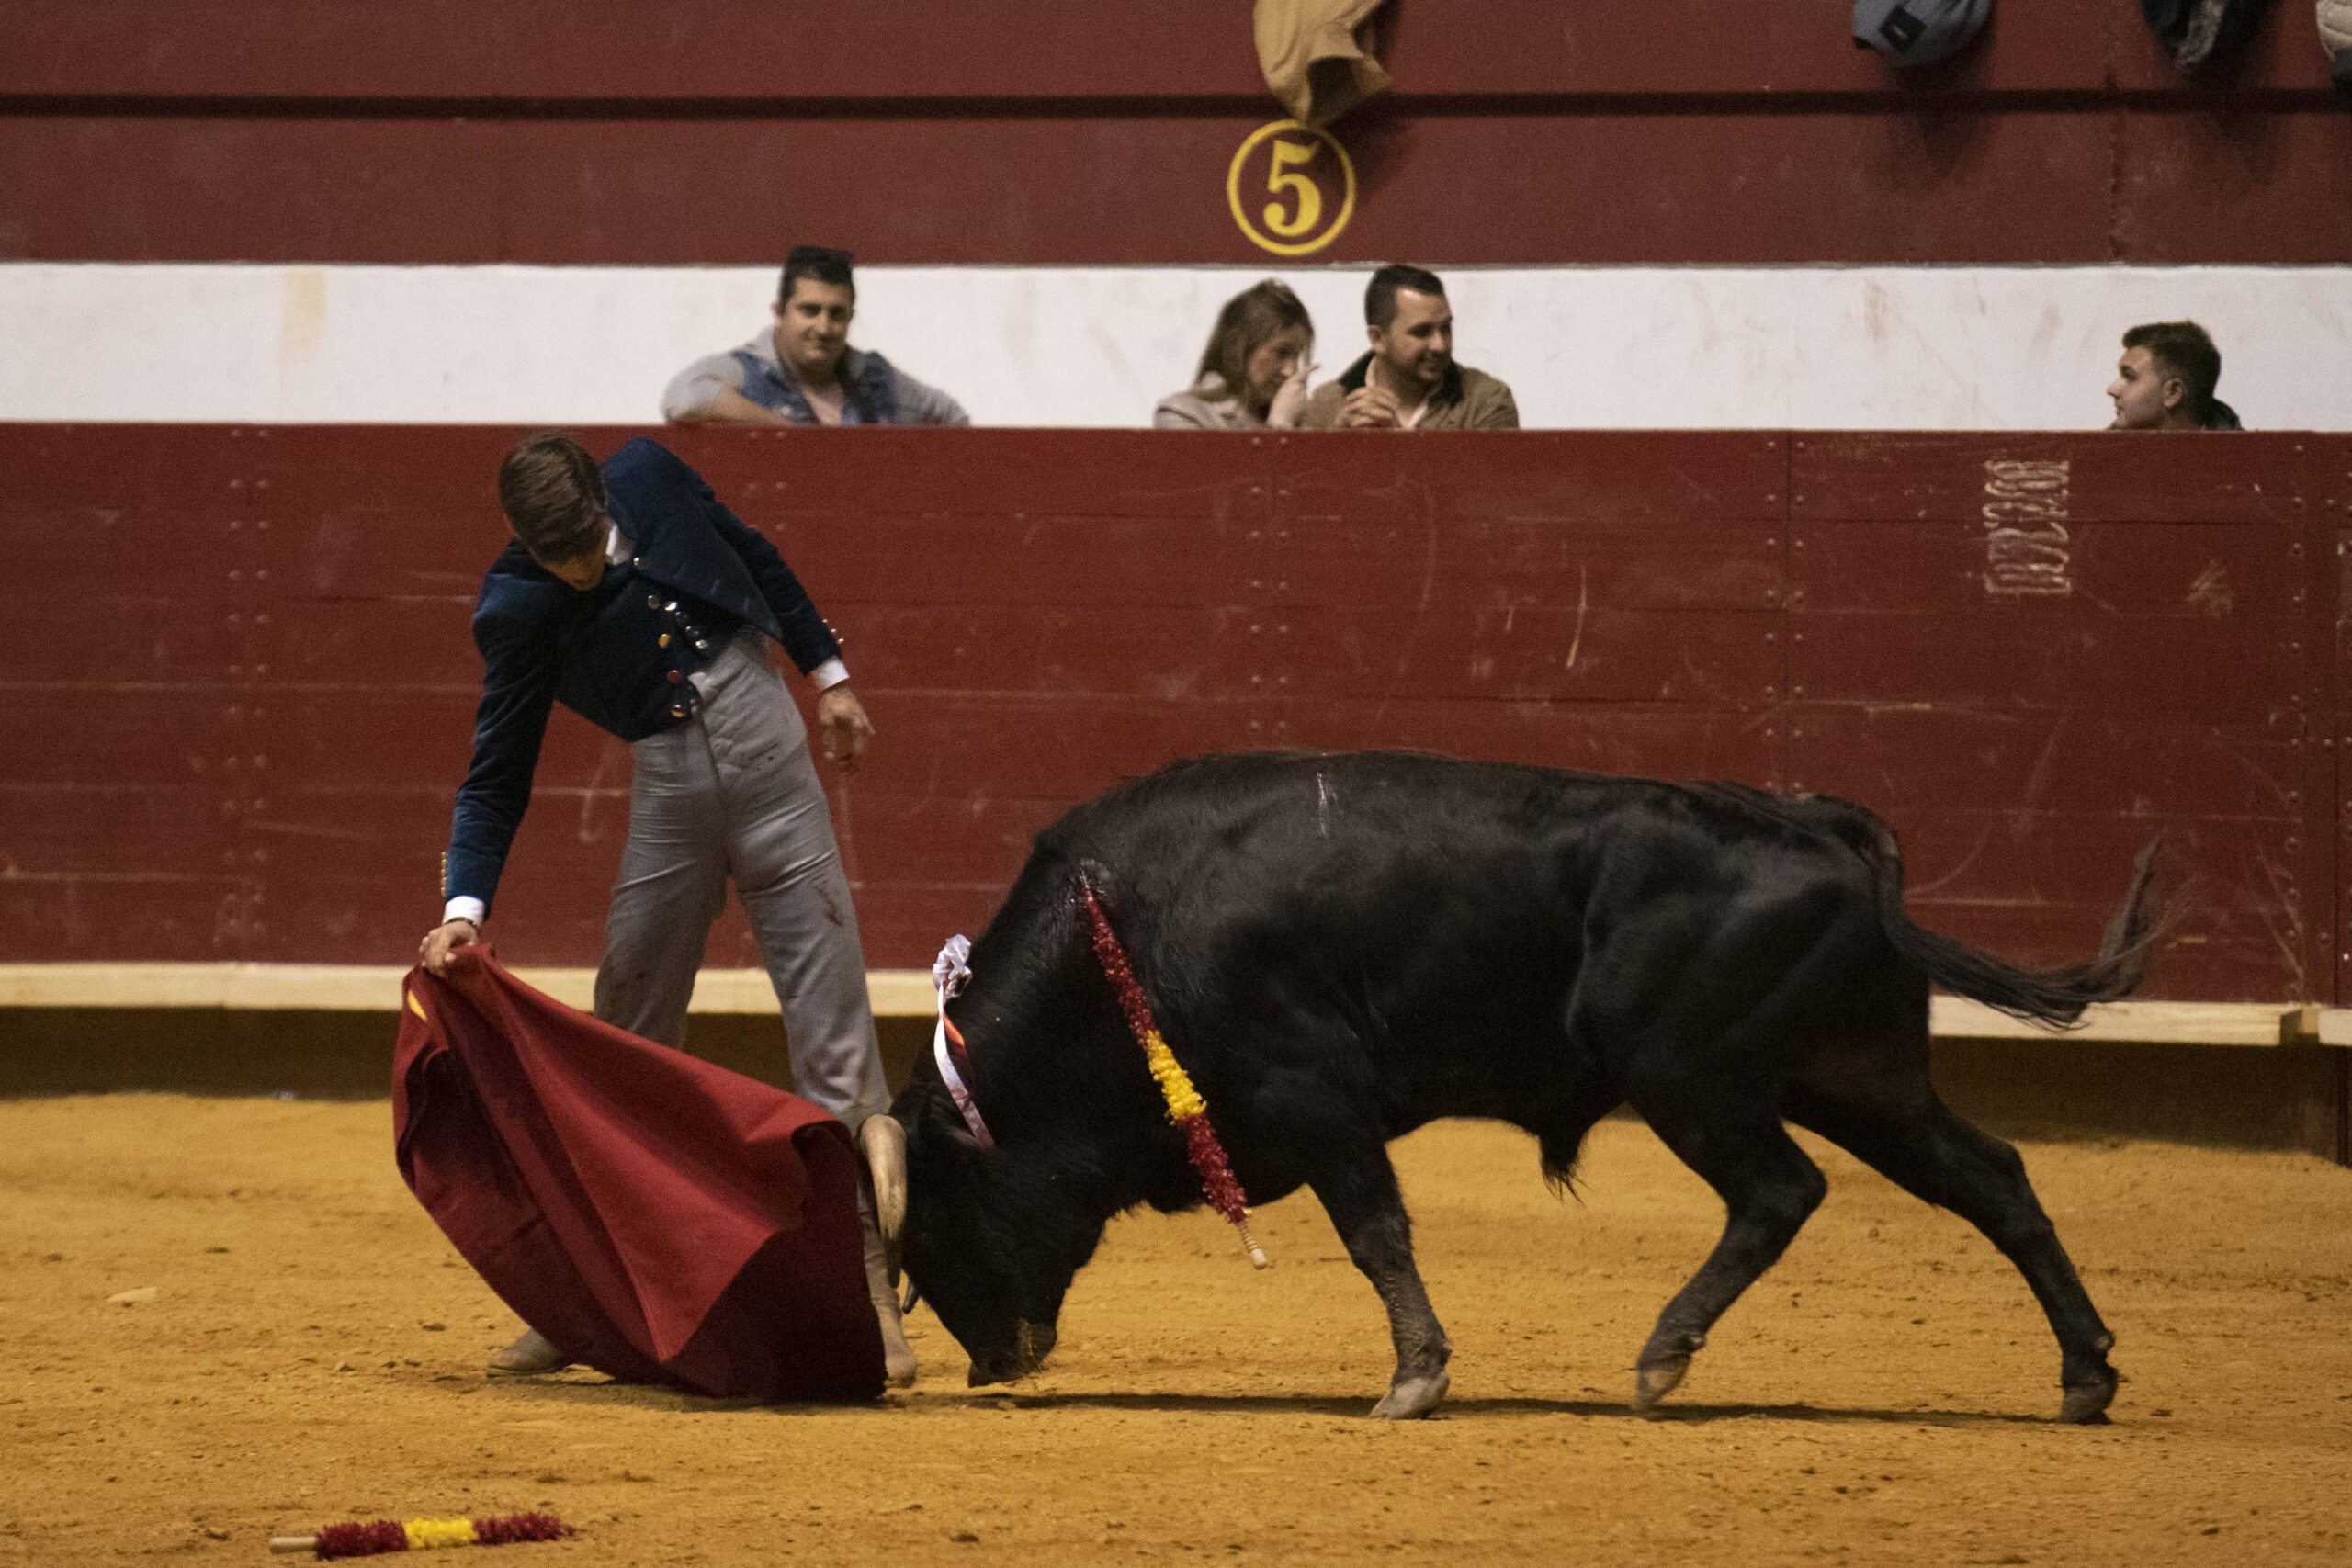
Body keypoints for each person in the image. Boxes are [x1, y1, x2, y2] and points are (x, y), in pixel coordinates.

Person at [417, 431, 917, 1387]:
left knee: (836, 1034)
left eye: (586, 543)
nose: (576, 568)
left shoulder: (651, 473)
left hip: (774, 765)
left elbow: (754, 552)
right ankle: (588, 1297)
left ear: (604, 499)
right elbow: (496, 772)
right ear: (520, 540)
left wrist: (831, 677)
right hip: (670, 794)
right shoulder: (517, 608)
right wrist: (465, 906)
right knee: (625, 1028)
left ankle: (871, 1305)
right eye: (554, 557)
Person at [662, 245, 969, 427]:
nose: (823, 328)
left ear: (850, 317)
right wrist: (780, 428)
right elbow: (681, 397)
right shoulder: (749, 370)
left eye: (836, 314)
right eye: (810, 310)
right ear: (780, 312)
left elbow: (952, 418)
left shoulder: (875, 379)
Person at [1300, 264, 1519, 431]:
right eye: (1422, 332)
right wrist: (1334, 445)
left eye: (1445, 328)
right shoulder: (1327, 404)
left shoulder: (1487, 400)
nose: (1440, 345)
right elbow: (1306, 487)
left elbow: (1488, 488)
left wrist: (1397, 440)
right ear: (1377, 338)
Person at [1154, 280, 1317, 430]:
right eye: (1281, 353)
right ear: (1240, 347)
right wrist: (1279, 428)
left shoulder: (1301, 419)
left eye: (1297, 356)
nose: (1289, 371)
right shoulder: (1183, 414)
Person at [2107, 320, 2241, 431]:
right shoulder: (2099, 457)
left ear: (2173, 393)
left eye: (2130, 376)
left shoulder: (2248, 460)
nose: (2112, 389)